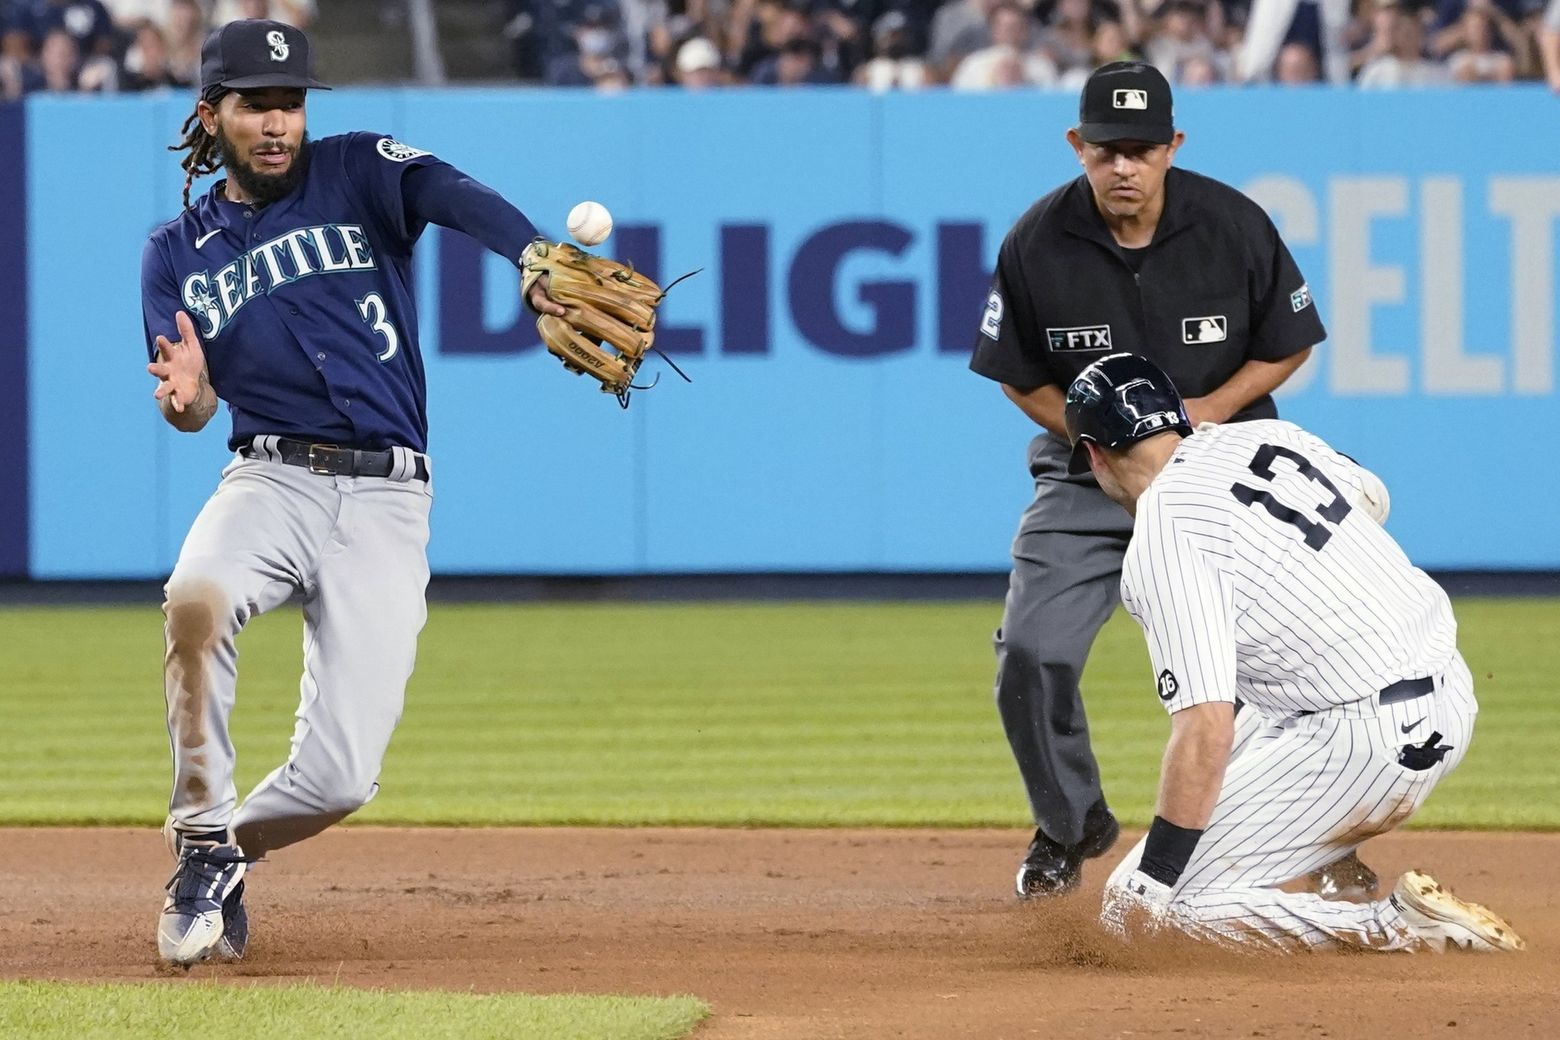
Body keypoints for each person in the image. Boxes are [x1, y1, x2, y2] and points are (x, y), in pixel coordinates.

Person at [142, 18, 565, 967]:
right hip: (270, 476)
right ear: (213, 115)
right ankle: (200, 829)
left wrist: (531, 258)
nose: (280, 122)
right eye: (257, 104)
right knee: (196, 598)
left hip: (387, 496)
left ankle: (223, 857)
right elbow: (189, 399)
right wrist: (189, 400)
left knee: (339, 780)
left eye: (290, 102)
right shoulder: (175, 250)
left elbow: (454, 194)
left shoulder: (358, 168)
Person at [968, 60, 1325, 900]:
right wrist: (1099, 439)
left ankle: (1315, 836)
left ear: (1173, 145)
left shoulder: (1233, 224)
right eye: (1105, 150)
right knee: (1031, 650)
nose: (1123, 166)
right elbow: (1017, 373)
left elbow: (1289, 341)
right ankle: (1070, 824)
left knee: (1290, 666)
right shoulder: (1036, 240)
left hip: (1224, 478)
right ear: (1076, 147)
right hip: (1087, 481)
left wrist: (1210, 407)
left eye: (1140, 148)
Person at [1060, 353, 1526, 954]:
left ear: (1095, 455)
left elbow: (1205, 728)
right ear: (1175, 417)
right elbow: (1373, 498)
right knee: (1260, 680)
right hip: (1445, 693)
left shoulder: (1162, 537)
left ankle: (1398, 929)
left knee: (1155, 911)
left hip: (1367, 744)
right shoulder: (1266, 436)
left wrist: (1156, 881)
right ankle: (1334, 853)